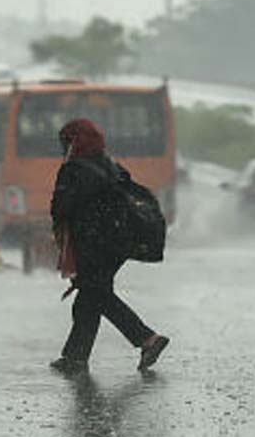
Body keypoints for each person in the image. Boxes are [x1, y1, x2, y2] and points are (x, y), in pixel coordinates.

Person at [48, 118, 170, 374]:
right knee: (89, 298)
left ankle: (147, 338)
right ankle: (75, 358)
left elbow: (61, 208)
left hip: (93, 243)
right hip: (119, 243)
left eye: (66, 141)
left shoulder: (74, 170)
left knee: (97, 294)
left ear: (74, 142)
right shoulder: (111, 165)